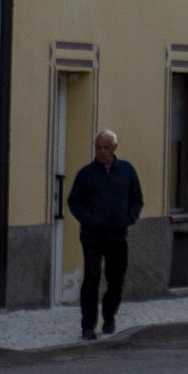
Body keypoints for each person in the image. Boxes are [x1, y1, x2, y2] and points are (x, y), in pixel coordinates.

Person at [66, 128, 143, 340]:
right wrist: (88, 219)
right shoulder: (86, 174)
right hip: (92, 235)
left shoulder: (126, 171)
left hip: (118, 235)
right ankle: (88, 326)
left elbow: (137, 199)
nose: (102, 152)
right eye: (98, 148)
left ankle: (109, 317)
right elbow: (74, 201)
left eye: (106, 148)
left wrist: (129, 218)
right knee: (91, 277)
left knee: (116, 279)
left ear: (114, 148)